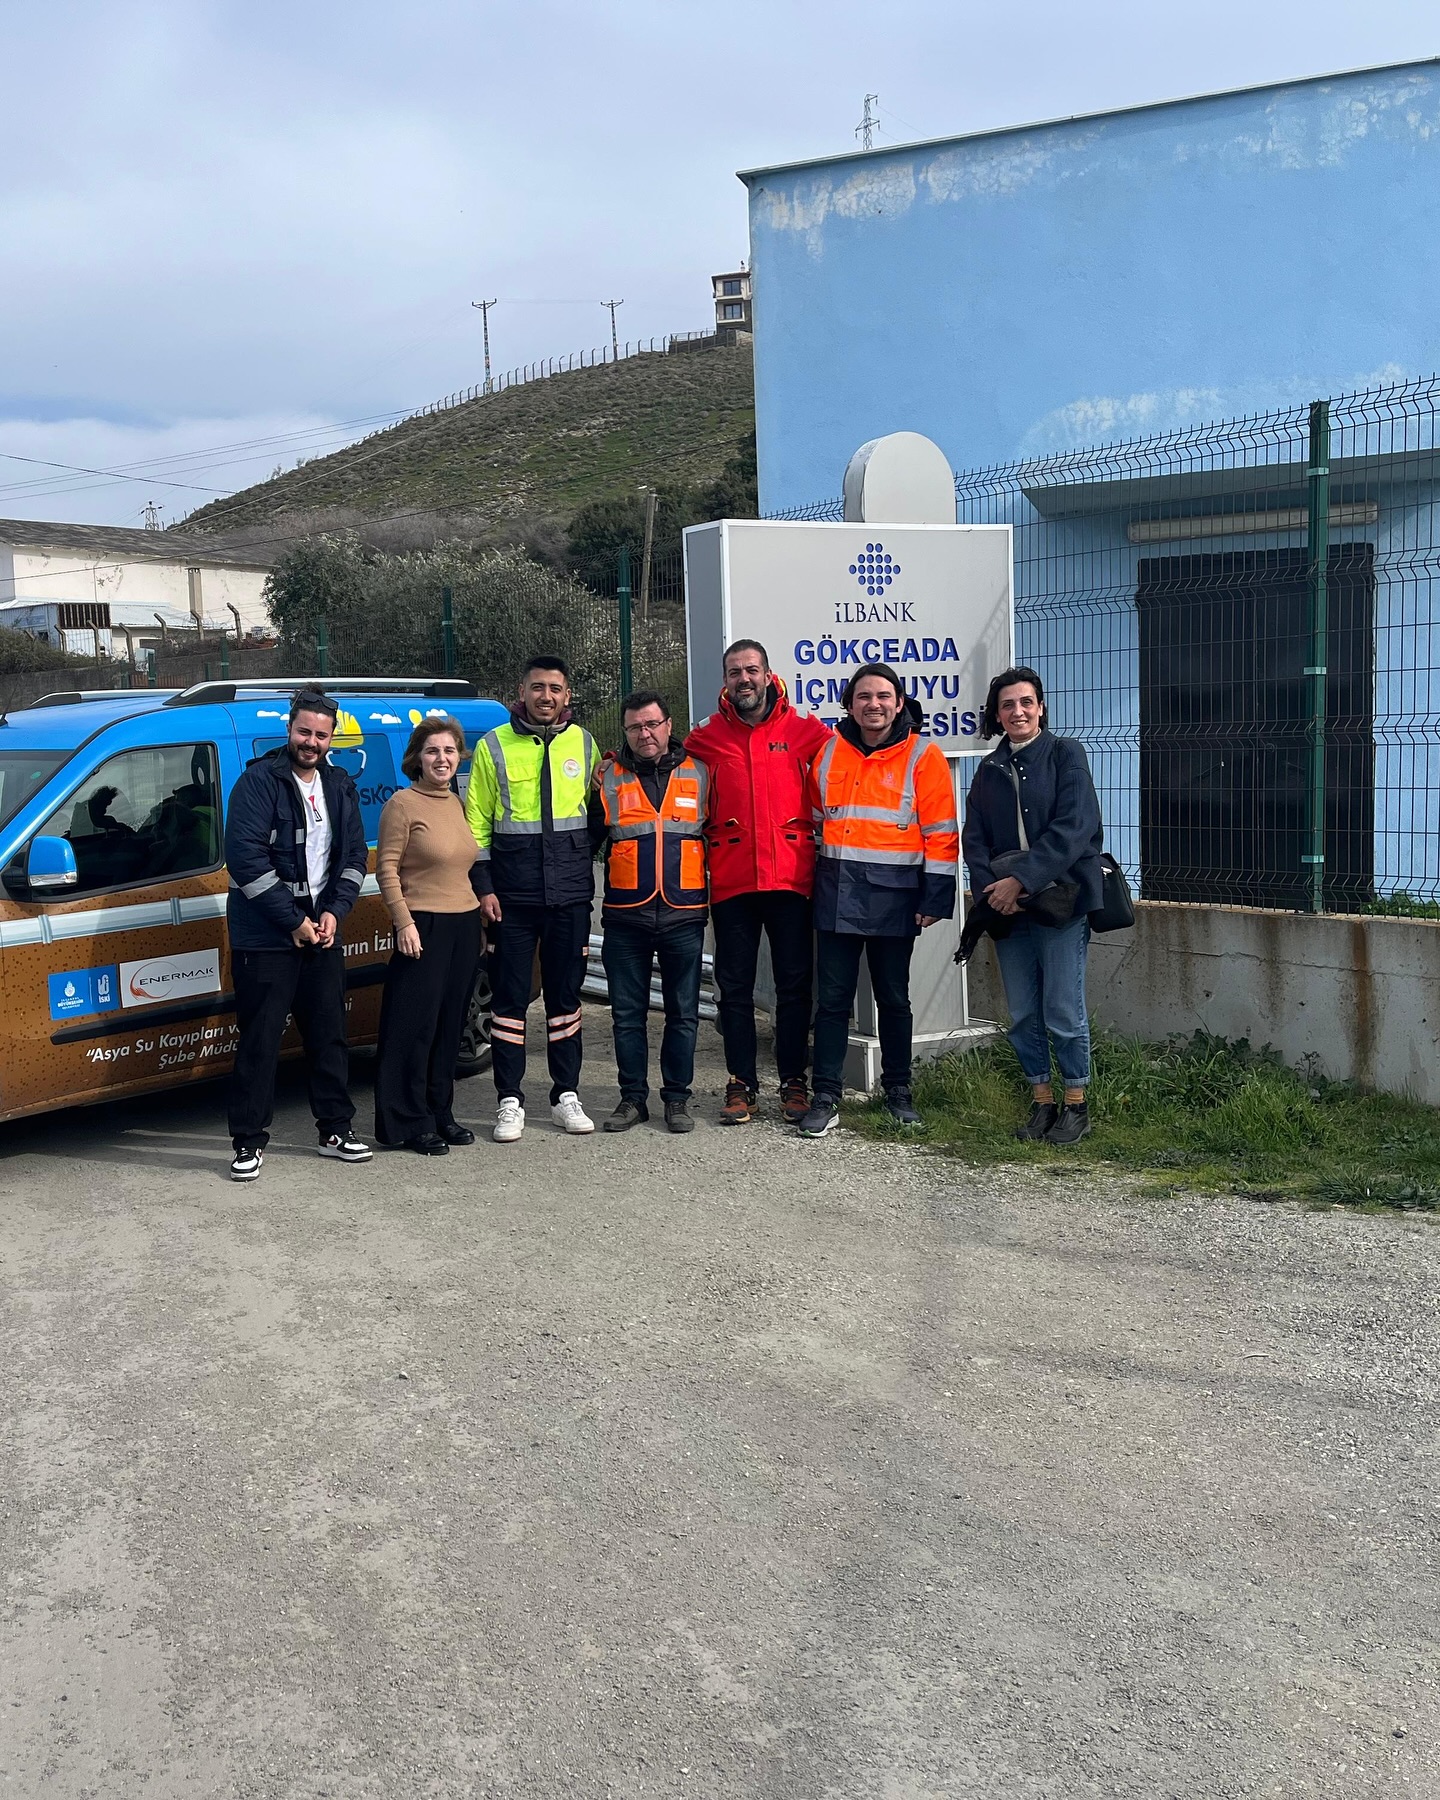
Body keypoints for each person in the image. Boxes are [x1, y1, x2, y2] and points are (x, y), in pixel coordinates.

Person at [796, 665, 958, 1138]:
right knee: (831, 1002)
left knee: (893, 999)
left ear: (899, 703)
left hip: (895, 896)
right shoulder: (828, 751)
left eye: (884, 696)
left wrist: (935, 897)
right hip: (836, 892)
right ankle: (825, 1096)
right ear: (849, 705)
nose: (874, 704)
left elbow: (942, 833)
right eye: (864, 696)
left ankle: (899, 1093)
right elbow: (813, 821)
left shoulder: (923, 755)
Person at [224, 687, 373, 1181]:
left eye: (321, 735)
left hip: (322, 930)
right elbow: (246, 862)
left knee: (330, 1037)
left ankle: (335, 1129)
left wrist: (334, 914)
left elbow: (354, 858)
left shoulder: (340, 785)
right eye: (304, 731)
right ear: (289, 730)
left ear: (332, 739)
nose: (311, 742)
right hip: (265, 935)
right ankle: (248, 1142)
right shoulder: (258, 782)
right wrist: (293, 922)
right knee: (260, 1042)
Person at [686, 639, 831, 1125]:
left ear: (769, 675)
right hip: (732, 882)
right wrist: (611, 764)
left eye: (751, 670)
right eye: (734, 672)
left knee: (794, 986)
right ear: (725, 680)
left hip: (792, 879)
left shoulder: (805, 730)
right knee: (734, 988)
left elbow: (851, 763)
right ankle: (741, 1081)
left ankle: (793, 1079)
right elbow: (660, 763)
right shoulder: (704, 737)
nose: (743, 679)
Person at [961, 665, 1104, 1146]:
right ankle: (1042, 1103)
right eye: (1007, 705)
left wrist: (1020, 880)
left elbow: (1075, 827)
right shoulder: (989, 769)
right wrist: (993, 891)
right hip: (1008, 909)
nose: (1017, 711)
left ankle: (1076, 1105)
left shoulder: (1066, 754)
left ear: (1041, 707)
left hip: (1060, 902)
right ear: (997, 715)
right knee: (1023, 1012)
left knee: (1062, 1008)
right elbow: (974, 840)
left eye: (1026, 702)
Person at [465, 654, 602, 1143]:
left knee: (565, 1001)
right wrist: (484, 887)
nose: (547, 696)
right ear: (521, 691)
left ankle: (566, 1095)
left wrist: (579, 861)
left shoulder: (584, 743)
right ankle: (510, 1100)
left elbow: (597, 814)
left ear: (567, 695)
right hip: (512, 899)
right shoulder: (493, 745)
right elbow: (477, 822)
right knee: (509, 1002)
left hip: (569, 897)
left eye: (555, 689)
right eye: (538, 687)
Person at [596, 690, 710, 1134]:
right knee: (627, 1016)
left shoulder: (700, 773)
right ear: (625, 731)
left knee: (683, 1013)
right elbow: (586, 841)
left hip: (684, 914)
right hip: (626, 917)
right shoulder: (608, 777)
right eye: (634, 727)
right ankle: (632, 1099)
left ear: (668, 725)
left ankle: (677, 1099)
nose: (644, 733)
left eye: (651, 724)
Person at [373, 717, 483, 1155]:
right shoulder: (402, 805)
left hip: (464, 923)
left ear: (459, 757)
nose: (442, 758)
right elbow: (386, 869)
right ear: (417, 758)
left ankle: (440, 1112)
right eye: (433, 751)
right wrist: (403, 923)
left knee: (450, 1026)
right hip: (423, 926)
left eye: (450, 751)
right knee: (413, 1028)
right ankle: (408, 1120)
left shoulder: (455, 802)